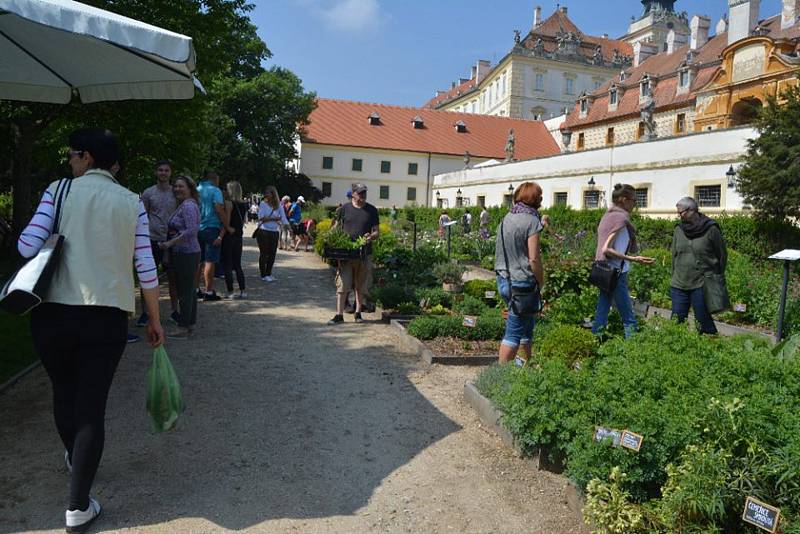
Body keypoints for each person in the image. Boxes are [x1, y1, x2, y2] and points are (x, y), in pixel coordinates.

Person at [18, 128, 164, 532]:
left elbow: (26, 248)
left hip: (53, 313)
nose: (69, 161)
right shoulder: (132, 202)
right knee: (92, 407)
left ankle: (74, 459)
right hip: (106, 315)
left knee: (63, 393)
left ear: (85, 157)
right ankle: (77, 506)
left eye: (71, 155)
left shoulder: (58, 190)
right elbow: (146, 269)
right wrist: (153, 319)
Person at [592, 184, 654, 338]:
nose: (635, 204)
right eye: (634, 200)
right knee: (628, 316)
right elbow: (607, 248)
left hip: (606, 270)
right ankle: (631, 352)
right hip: (616, 272)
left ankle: (595, 340)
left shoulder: (608, 215)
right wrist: (633, 258)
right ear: (624, 200)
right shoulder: (620, 218)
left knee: (603, 308)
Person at [494, 182, 544, 366]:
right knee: (513, 332)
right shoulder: (532, 221)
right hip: (522, 283)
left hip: (503, 279)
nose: (541, 200)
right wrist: (541, 281)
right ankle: (499, 377)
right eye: (540, 197)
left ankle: (525, 366)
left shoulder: (506, 218)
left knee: (526, 326)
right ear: (534, 199)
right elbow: (533, 259)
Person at [670, 197, 728, 334]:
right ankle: (675, 348)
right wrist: (673, 275)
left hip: (701, 283)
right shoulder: (679, 230)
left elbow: (722, 255)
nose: (679, 216)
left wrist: (715, 275)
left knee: (702, 319)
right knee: (676, 319)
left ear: (692, 210)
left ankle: (710, 346)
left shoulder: (711, 229)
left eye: (681, 213)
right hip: (679, 283)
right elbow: (674, 254)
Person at [328, 183, 379, 325]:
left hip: (364, 253)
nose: (363, 196)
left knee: (360, 285)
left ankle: (358, 313)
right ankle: (339, 315)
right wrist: (329, 237)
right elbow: (336, 227)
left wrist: (371, 236)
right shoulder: (344, 209)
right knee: (342, 284)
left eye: (364, 193)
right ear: (353, 194)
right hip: (346, 253)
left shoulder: (372, 210)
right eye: (360, 193)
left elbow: (377, 231)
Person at [138, 160, 179, 327]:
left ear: (170, 173)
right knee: (148, 276)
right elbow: (143, 215)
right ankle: (145, 313)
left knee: (173, 278)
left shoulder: (176, 192)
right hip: (152, 239)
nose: (163, 173)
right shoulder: (148, 193)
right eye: (160, 170)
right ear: (156, 173)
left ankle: (174, 310)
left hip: (171, 239)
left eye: (166, 170)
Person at [160, 175, 201, 338]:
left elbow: (191, 231)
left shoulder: (188, 206)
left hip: (187, 252)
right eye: (175, 186)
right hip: (184, 252)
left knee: (185, 290)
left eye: (181, 186)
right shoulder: (185, 204)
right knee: (188, 289)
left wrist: (170, 243)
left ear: (190, 188)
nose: (177, 189)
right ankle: (188, 323)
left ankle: (184, 327)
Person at [196, 171, 226, 301]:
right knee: (210, 261)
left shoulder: (196, 189)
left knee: (198, 260)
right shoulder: (215, 190)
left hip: (197, 228)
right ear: (215, 179)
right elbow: (218, 208)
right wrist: (226, 224)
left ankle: (195, 289)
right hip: (212, 227)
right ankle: (209, 291)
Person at [256, 186, 289, 282]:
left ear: (273, 194)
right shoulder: (263, 204)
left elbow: (283, 218)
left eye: (269, 193)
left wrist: (289, 227)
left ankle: (268, 273)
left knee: (272, 254)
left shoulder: (278, 206)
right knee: (264, 253)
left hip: (274, 232)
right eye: (266, 193)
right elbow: (261, 218)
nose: (266, 195)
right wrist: (275, 219)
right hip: (263, 231)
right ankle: (263, 274)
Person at [222, 181, 247, 299]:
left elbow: (226, 221)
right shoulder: (244, 204)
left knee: (227, 264)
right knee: (238, 265)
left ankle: (230, 291)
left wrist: (225, 230)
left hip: (229, 236)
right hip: (239, 236)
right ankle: (243, 290)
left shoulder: (228, 203)